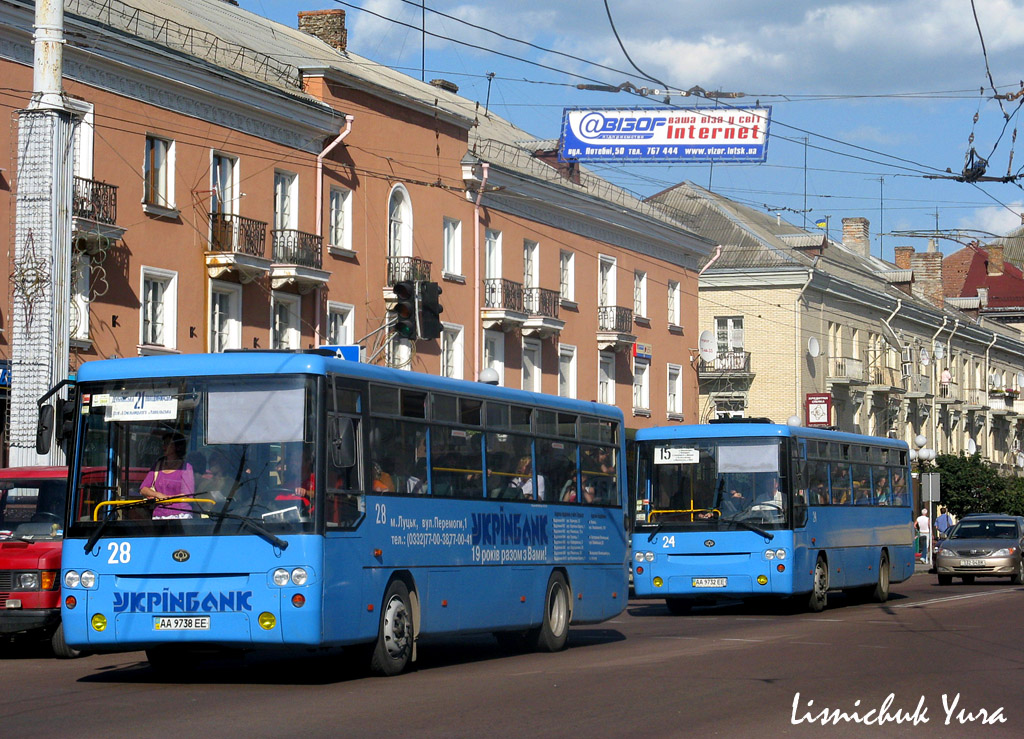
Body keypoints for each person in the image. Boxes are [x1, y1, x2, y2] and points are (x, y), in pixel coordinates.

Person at [140, 433, 196, 519]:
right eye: (163, 444)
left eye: (167, 443)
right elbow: (143, 489)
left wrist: (168, 499)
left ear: (178, 447)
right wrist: (158, 495)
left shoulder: (186, 467)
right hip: (159, 515)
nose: (164, 447)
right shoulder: (158, 466)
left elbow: (187, 494)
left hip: (180, 516)